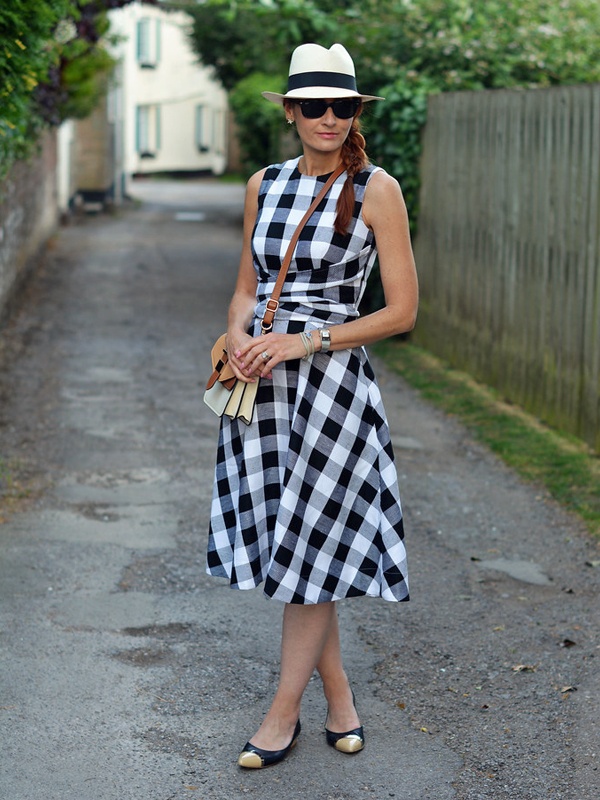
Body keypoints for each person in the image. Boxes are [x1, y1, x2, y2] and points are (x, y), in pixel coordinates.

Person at [206, 42, 418, 769]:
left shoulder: (376, 189)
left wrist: (306, 341)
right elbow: (246, 285)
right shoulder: (263, 184)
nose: (331, 118)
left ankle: (281, 715)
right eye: (315, 106)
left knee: (311, 545)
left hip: (329, 391)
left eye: (344, 106)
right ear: (292, 112)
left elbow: (402, 312)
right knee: (296, 548)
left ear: (355, 112)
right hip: (260, 390)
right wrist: (237, 334)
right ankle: (342, 699)